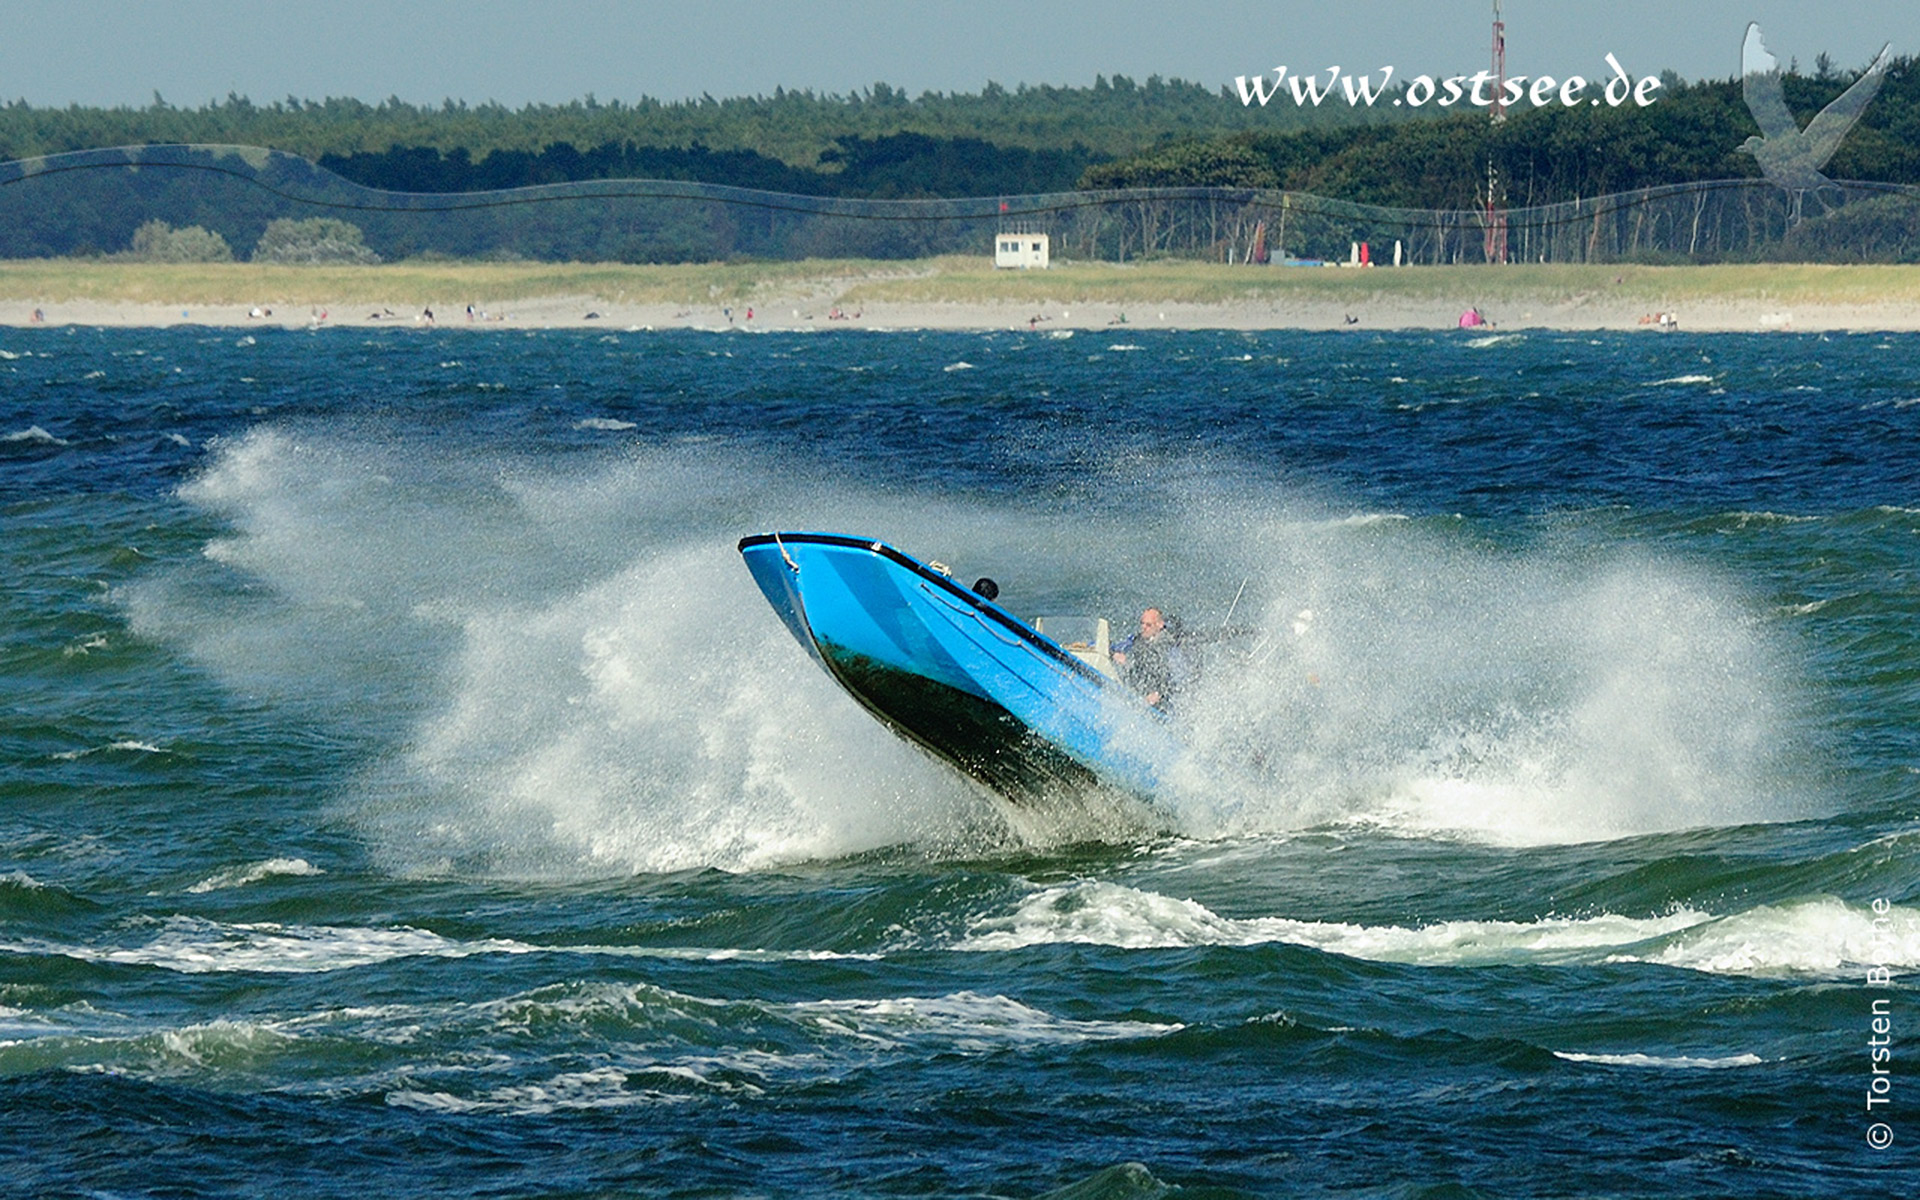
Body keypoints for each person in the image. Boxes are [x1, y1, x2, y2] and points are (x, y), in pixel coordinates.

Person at [1111, 607, 1194, 712]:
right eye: (1142, 624)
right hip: (1142, 690)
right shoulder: (1138, 640)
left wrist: (1159, 693)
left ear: (1159, 625)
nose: (1144, 628)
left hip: (1164, 702)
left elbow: (1180, 678)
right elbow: (1117, 647)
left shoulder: (1170, 647)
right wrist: (1114, 654)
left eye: (1148, 625)